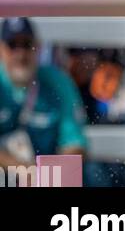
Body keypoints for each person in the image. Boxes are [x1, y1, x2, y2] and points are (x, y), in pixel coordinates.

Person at [0, 19, 87, 177]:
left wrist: (52, 175)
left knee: (92, 174)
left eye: (27, 44)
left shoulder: (59, 83)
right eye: (12, 45)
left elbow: (74, 144)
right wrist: (20, 169)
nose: (20, 54)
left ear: (38, 48)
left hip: (45, 176)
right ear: (1, 49)